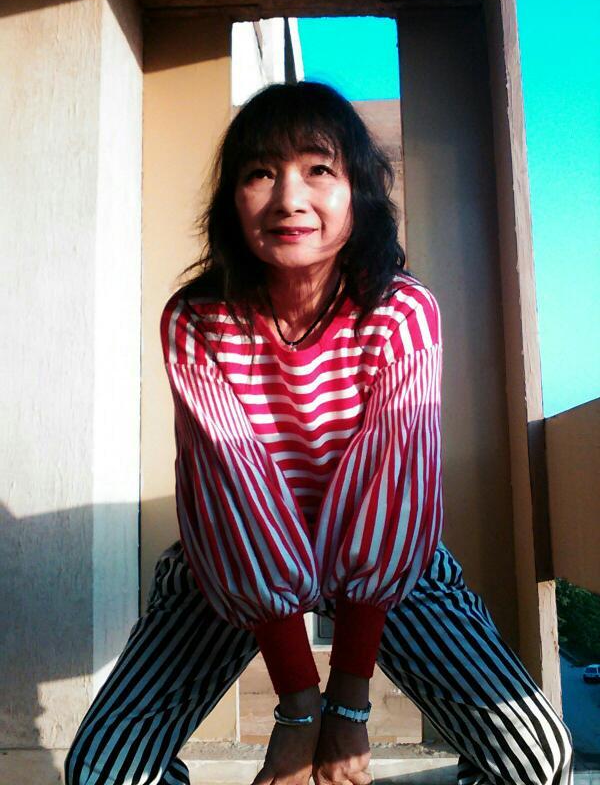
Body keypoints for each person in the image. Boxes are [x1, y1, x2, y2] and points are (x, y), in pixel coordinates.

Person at [65, 81, 573, 785]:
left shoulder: (401, 312)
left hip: (389, 565)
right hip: (232, 563)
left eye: (318, 169)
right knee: (104, 772)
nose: (288, 198)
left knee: (537, 761)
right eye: (259, 173)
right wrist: (301, 710)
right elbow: (235, 495)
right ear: (231, 199)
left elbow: (391, 496)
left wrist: (349, 704)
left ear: (358, 191)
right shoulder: (197, 320)